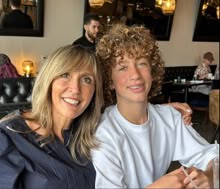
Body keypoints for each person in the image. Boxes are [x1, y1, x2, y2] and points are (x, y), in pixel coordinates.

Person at [92, 24, 218, 189]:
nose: (135, 75)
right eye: (123, 67)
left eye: (142, 63)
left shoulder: (169, 117)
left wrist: (209, 175)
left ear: (152, 70)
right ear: (109, 80)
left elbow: (211, 155)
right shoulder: (103, 133)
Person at [0, 45, 104, 188]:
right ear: (48, 81)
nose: (75, 89)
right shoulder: (5, 139)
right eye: (65, 75)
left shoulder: (94, 135)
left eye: (86, 79)